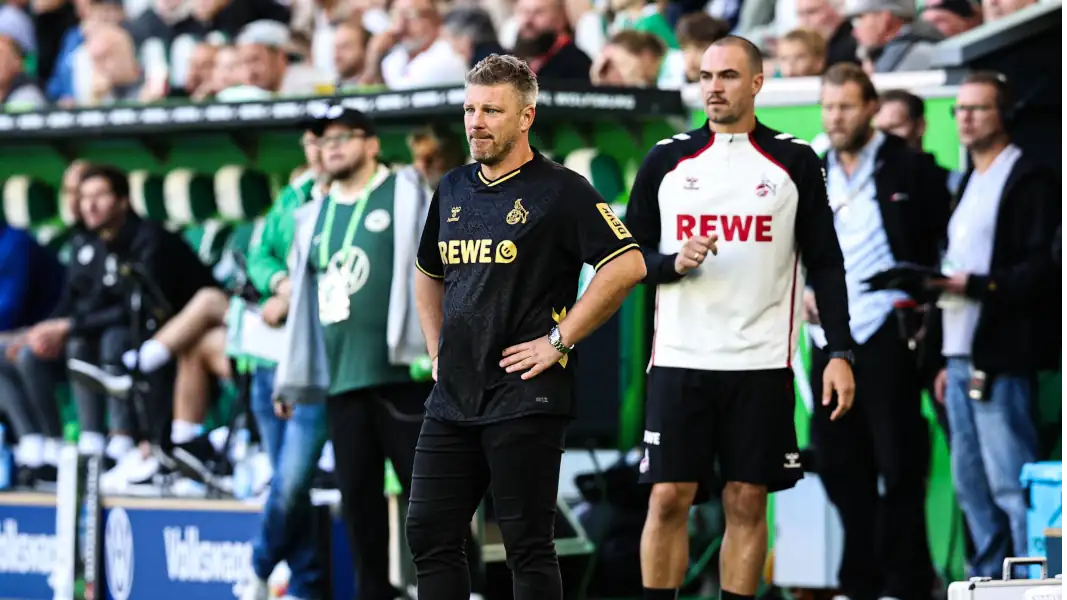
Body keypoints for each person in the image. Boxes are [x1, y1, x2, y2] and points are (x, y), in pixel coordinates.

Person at [404, 53, 646, 600]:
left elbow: (626, 265)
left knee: (526, 544)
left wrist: (559, 341)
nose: (476, 122)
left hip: (526, 394)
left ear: (526, 117)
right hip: (454, 394)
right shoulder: (452, 187)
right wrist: (436, 347)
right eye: (469, 109)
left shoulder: (562, 189)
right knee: (429, 531)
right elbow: (426, 274)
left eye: (492, 110)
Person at [623, 36, 855, 600]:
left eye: (727, 75)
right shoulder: (666, 160)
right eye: (705, 76)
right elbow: (627, 258)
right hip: (680, 357)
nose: (714, 87)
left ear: (756, 82)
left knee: (747, 500)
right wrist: (671, 263)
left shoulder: (795, 160)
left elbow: (826, 261)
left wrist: (840, 352)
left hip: (760, 362)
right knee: (667, 496)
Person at [273, 106, 441, 600]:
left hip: (401, 373)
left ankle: (457, 587)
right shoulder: (314, 213)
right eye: (324, 141)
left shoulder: (406, 192)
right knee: (359, 504)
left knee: (428, 496)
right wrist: (293, 376)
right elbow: (305, 303)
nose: (333, 147)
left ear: (370, 143)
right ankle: (373, 593)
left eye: (344, 137)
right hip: (341, 380)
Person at [808, 63, 948, 600]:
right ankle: (858, 580)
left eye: (845, 106)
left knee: (899, 462)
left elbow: (941, 245)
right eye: (828, 107)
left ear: (870, 108)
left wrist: (923, 301)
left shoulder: (911, 169)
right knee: (840, 464)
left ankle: (908, 581)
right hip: (828, 335)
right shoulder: (812, 168)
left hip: (888, 327)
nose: (836, 117)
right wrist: (802, 296)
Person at [927, 71, 1062, 579]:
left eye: (977, 108)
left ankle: (1037, 579)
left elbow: (1040, 270)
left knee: (1011, 479)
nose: (965, 118)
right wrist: (942, 356)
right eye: (959, 109)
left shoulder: (1028, 176)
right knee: (971, 483)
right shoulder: (967, 180)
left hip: (1001, 354)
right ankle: (988, 578)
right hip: (959, 354)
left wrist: (978, 285)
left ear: (1003, 114)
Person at [239, 123, 330, 600]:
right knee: (288, 490)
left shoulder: (353, 199)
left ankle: (256, 569)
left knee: (291, 484)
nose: (318, 151)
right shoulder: (293, 194)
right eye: (312, 142)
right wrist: (279, 285)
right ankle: (307, 587)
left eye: (328, 140)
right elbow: (259, 253)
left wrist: (297, 299)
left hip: (314, 365)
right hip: (269, 358)